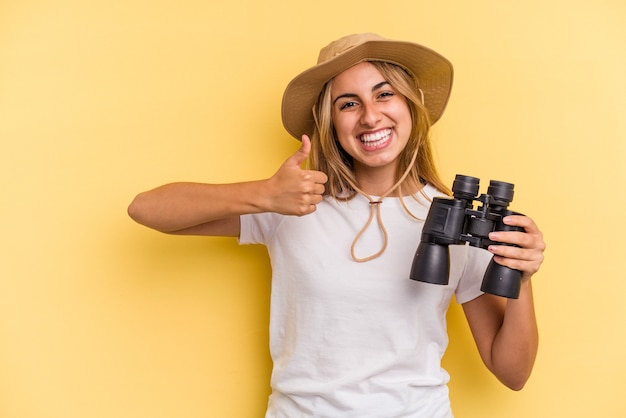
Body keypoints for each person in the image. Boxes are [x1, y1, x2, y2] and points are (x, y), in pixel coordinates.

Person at [128, 33, 545, 417]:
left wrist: (521, 279)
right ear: (329, 122)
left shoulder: (452, 219)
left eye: (385, 95)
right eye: (348, 103)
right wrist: (264, 194)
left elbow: (513, 372)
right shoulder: (293, 202)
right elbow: (147, 209)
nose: (370, 116)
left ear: (412, 104)